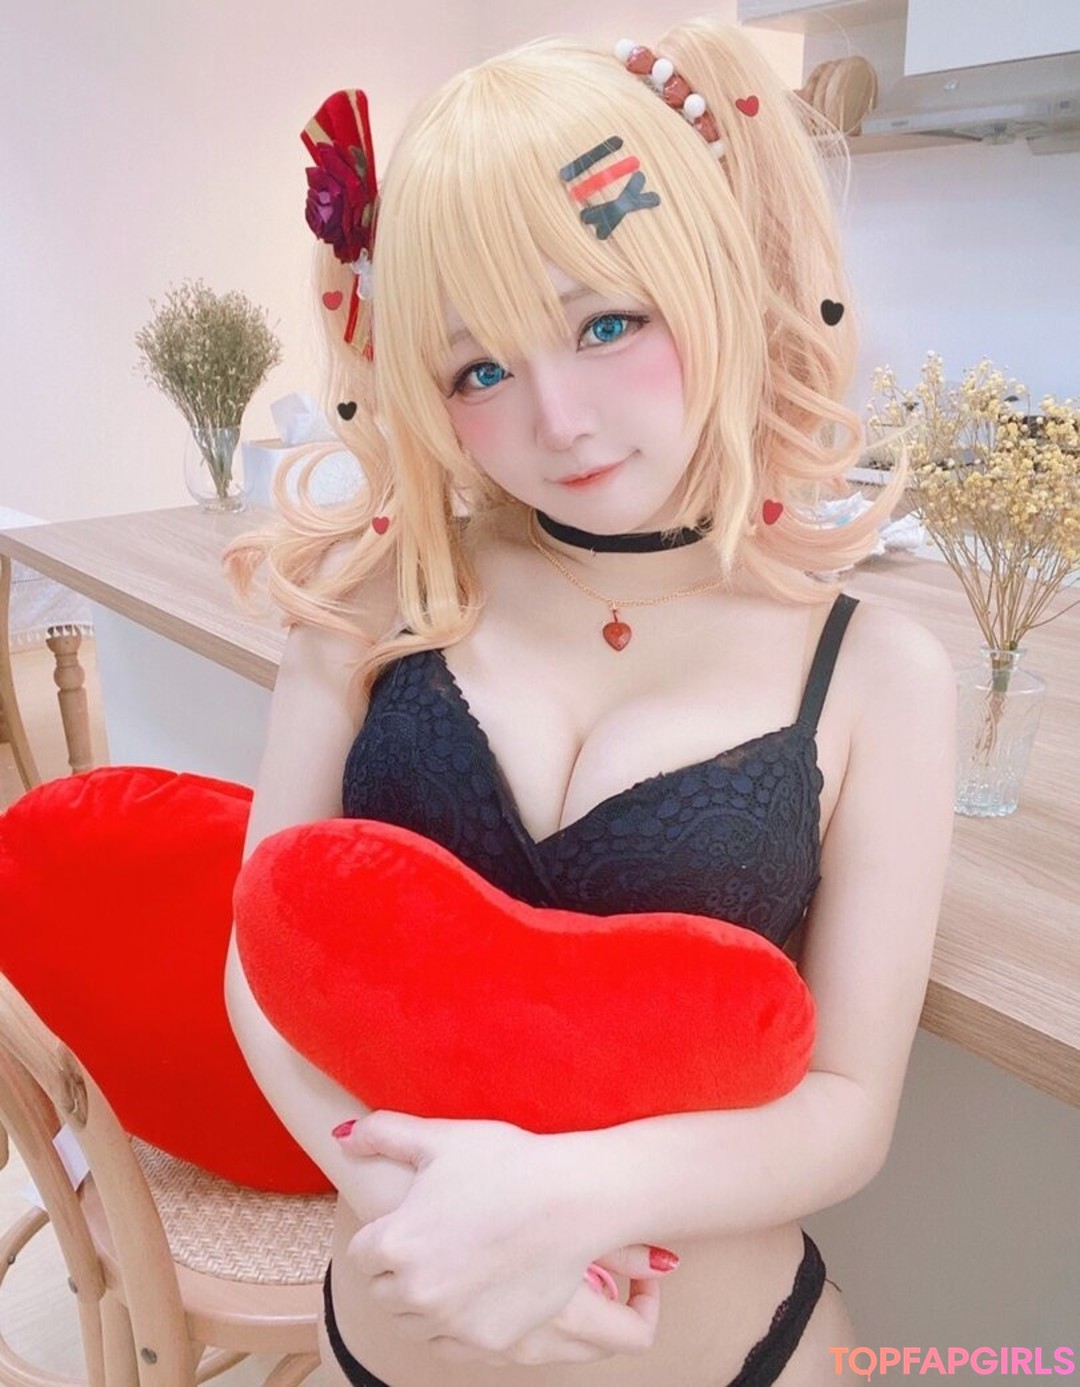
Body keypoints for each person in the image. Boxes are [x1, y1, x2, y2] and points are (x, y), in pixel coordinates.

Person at [224, 17, 956, 1386]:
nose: (556, 419)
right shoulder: (377, 603)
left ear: (708, 281)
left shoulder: (877, 673)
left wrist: (560, 1209)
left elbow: (850, 1108)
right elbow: (257, 966)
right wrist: (420, 1215)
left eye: (607, 323)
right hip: (392, 1338)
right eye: (480, 370)